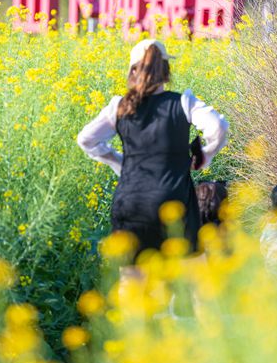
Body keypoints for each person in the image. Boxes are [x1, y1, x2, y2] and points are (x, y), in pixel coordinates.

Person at [77, 39, 229, 261]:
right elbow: (218, 127)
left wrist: (119, 162)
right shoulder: (183, 103)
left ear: (132, 71)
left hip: (130, 204)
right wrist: (207, 154)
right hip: (175, 204)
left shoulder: (118, 107)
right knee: (186, 287)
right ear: (166, 69)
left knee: (133, 289)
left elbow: (86, 140)